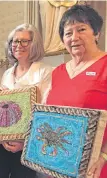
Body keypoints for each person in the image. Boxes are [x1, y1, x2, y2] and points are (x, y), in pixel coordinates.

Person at [45, 5, 107, 178]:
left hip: (95, 166)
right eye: (68, 33)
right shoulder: (58, 72)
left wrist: (103, 156)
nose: (74, 37)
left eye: (81, 29)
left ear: (97, 33)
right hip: (57, 163)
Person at [0, 23, 53, 178]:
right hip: (2, 142)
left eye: (25, 41)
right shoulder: (8, 73)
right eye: (14, 42)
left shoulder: (46, 72)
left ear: (34, 44)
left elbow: (46, 112)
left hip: (27, 143)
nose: (18, 45)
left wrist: (26, 143)